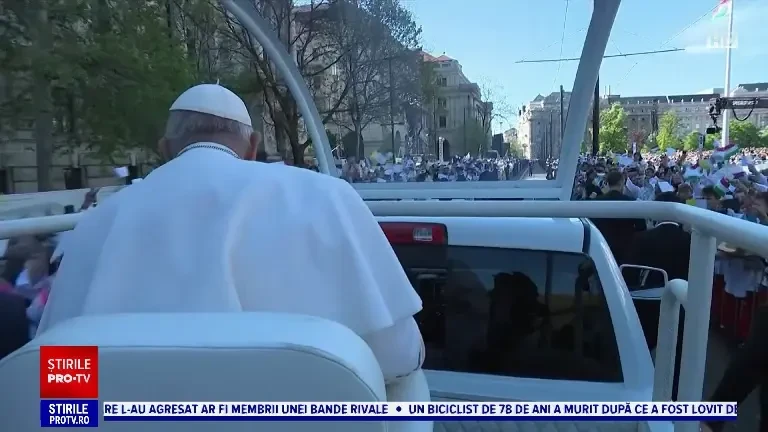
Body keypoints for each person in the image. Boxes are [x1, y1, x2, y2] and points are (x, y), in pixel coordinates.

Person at [39, 84, 425, 387]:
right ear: (253, 146)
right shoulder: (327, 195)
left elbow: (60, 386)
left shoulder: (93, 225)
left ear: (164, 150)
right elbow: (399, 358)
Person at [624, 191, 690, 400]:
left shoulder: (641, 238)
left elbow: (630, 271)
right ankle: (674, 400)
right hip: (682, 304)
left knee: (637, 349)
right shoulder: (690, 240)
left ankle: (632, 392)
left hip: (646, 303)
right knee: (677, 356)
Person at [590, 170, 646, 265]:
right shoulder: (631, 202)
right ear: (621, 183)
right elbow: (641, 228)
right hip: (625, 250)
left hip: (600, 246)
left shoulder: (597, 201)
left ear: (607, 183)